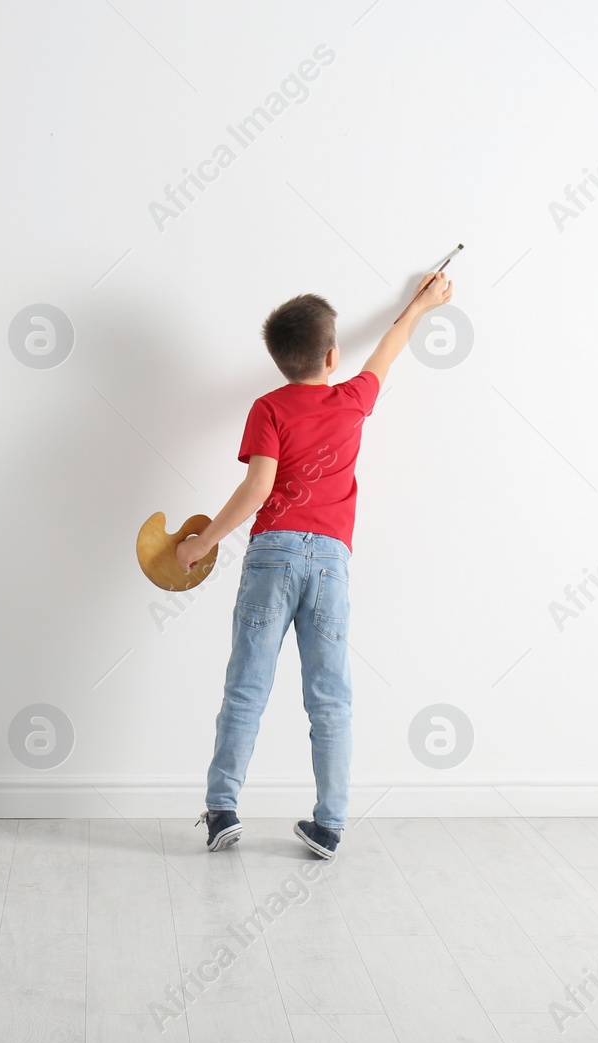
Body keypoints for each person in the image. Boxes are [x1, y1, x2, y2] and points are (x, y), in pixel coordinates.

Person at [175, 271, 455, 858]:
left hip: (272, 554)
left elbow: (258, 488)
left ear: (278, 360)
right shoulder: (352, 399)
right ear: (332, 355)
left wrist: (204, 542)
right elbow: (390, 346)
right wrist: (421, 305)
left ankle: (223, 810)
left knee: (246, 689)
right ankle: (329, 823)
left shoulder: (268, 407)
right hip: (330, 563)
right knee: (329, 696)